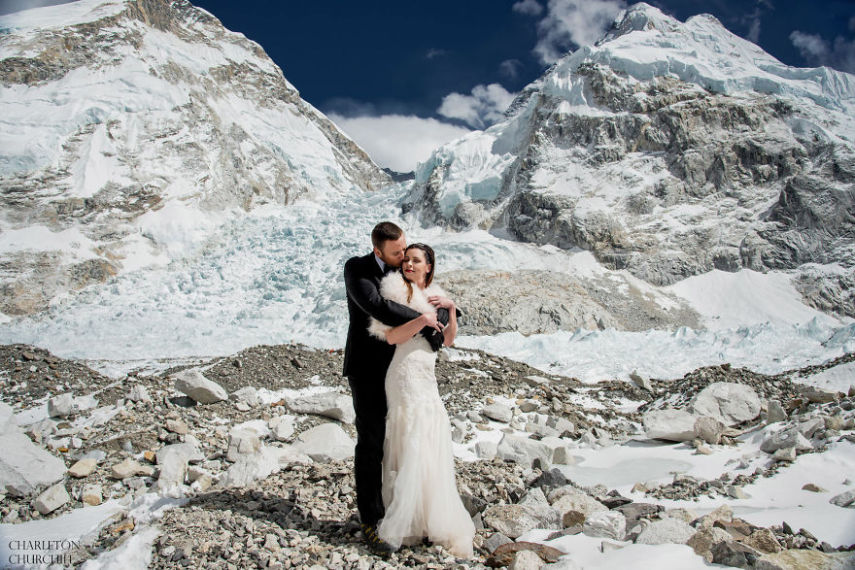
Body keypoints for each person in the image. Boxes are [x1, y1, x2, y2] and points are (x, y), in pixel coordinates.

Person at [343, 222, 448, 555]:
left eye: (405, 249)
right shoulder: (357, 269)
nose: (403, 257)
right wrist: (426, 321)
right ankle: (371, 521)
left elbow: (427, 294)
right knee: (372, 442)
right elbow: (378, 307)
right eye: (396, 252)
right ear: (378, 251)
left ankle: (410, 515)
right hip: (369, 369)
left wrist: (441, 311)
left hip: (401, 369)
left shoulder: (402, 272)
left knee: (406, 440)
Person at [367, 243, 475, 559]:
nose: (409, 264)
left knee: (429, 438)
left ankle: (428, 517)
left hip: (427, 376)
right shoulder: (395, 291)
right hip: (403, 374)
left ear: (429, 266)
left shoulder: (437, 296)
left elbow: (448, 340)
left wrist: (451, 310)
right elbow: (390, 337)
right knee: (410, 439)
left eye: (416, 260)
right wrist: (422, 320)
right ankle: (407, 520)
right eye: (406, 260)